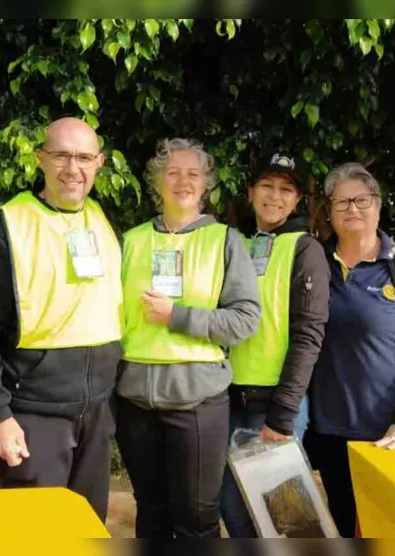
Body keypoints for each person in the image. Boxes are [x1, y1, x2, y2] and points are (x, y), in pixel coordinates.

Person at [0, 117, 124, 522]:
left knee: (87, 531)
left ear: (99, 163)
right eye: (61, 155)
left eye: (84, 157)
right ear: (39, 159)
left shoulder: (102, 221)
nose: (73, 168)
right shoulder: (5, 227)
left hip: (96, 413)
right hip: (32, 417)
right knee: (37, 535)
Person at [115, 138, 261, 538]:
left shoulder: (225, 241)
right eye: (172, 172)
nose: (183, 181)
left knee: (197, 519)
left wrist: (177, 317)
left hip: (198, 399)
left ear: (206, 185)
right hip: (134, 400)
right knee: (151, 513)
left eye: (193, 174)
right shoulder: (131, 241)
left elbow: (246, 319)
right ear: (157, 182)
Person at [304, 162, 395, 537]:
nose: (353, 208)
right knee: (346, 524)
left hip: (390, 434)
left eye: (362, 200)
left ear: (378, 206)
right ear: (330, 212)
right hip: (332, 431)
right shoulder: (314, 262)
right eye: (342, 202)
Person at [219, 153, 330, 538]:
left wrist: (282, 415)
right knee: (231, 507)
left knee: (286, 522)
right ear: (251, 193)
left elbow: (309, 335)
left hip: (277, 406)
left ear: (297, 200)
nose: (274, 196)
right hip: (229, 400)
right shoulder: (236, 244)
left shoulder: (305, 249)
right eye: (267, 185)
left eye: (286, 189)